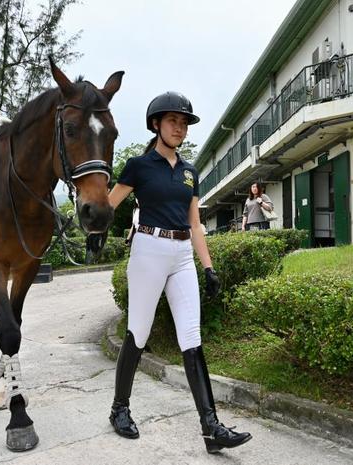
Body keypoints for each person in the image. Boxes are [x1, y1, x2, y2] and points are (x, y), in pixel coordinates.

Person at [106, 92, 252, 454]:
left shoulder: (190, 172)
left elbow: (196, 224)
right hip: (148, 250)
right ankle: (119, 409)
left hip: (182, 253)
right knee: (138, 332)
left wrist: (209, 266)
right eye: (173, 121)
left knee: (191, 337)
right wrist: (93, 228)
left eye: (184, 122)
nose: (180, 128)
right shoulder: (139, 166)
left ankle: (211, 427)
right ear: (156, 124)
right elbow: (108, 204)